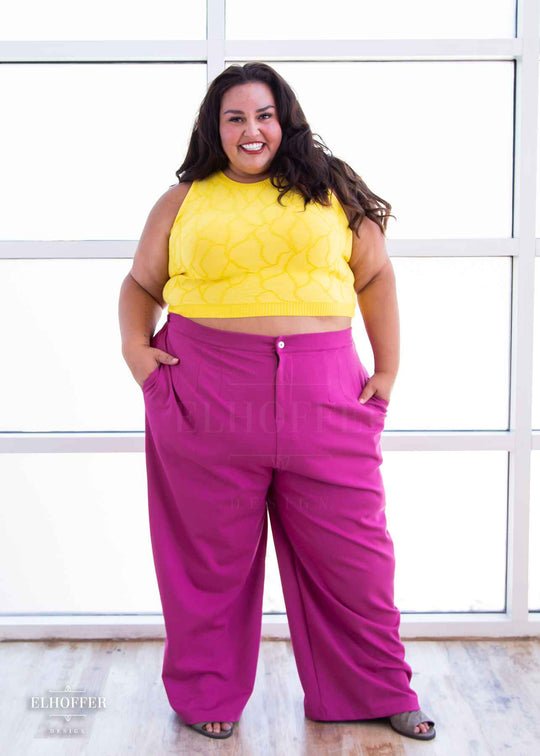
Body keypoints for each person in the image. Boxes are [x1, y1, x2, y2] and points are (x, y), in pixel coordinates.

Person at [119, 62, 436, 743]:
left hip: (326, 397)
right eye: (234, 118)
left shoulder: (330, 191)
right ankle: (208, 693)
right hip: (207, 394)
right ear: (215, 129)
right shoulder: (182, 201)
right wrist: (139, 357)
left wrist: (389, 369)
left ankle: (376, 688)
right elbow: (141, 285)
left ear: (283, 120)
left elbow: (375, 273)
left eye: (263, 115)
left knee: (357, 559)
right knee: (208, 560)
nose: (250, 130)